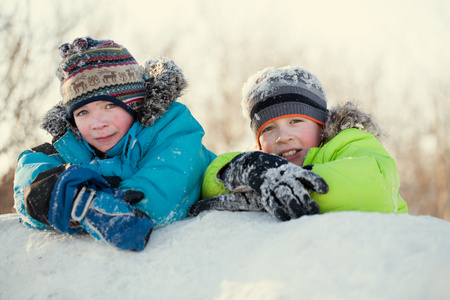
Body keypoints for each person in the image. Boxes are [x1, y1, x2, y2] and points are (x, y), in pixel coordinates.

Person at [13, 37, 216, 251]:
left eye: (110, 106)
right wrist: (53, 196)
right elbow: (29, 177)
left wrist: (94, 206)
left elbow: (162, 194)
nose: (97, 124)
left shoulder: (173, 130)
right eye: (83, 112)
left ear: (134, 104)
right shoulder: (70, 145)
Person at [190, 66, 408, 221]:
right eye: (268, 128)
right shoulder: (262, 163)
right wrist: (243, 170)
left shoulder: (347, 143)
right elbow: (210, 179)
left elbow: (375, 182)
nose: (282, 136)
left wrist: (284, 188)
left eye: (295, 121)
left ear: (322, 125)